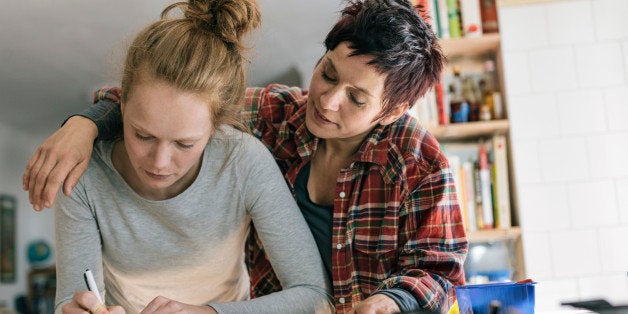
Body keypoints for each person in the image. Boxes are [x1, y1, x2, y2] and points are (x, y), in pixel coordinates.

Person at [23, 0, 468, 313]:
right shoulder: (271, 113)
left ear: (392, 110)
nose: (327, 101)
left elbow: (441, 271)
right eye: (328, 74)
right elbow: (162, 97)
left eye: (356, 98)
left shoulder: (420, 163)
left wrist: (392, 301)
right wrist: (83, 124)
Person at [37, 0, 334, 313]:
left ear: (215, 128)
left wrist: (208, 312)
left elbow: (314, 296)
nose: (159, 162)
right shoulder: (84, 173)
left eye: (184, 143)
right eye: (143, 135)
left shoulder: (242, 161)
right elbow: (71, 300)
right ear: (120, 105)